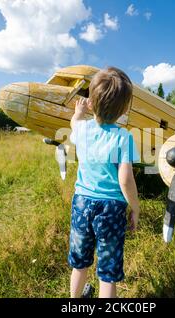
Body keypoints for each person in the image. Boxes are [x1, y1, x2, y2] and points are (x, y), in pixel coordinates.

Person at [68, 67, 141, 298]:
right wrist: (136, 208)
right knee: (108, 273)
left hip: (81, 203)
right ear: (124, 109)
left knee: (80, 264)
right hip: (111, 208)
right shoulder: (123, 138)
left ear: (90, 103)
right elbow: (125, 179)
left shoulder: (82, 130)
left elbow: (73, 125)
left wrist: (79, 112)